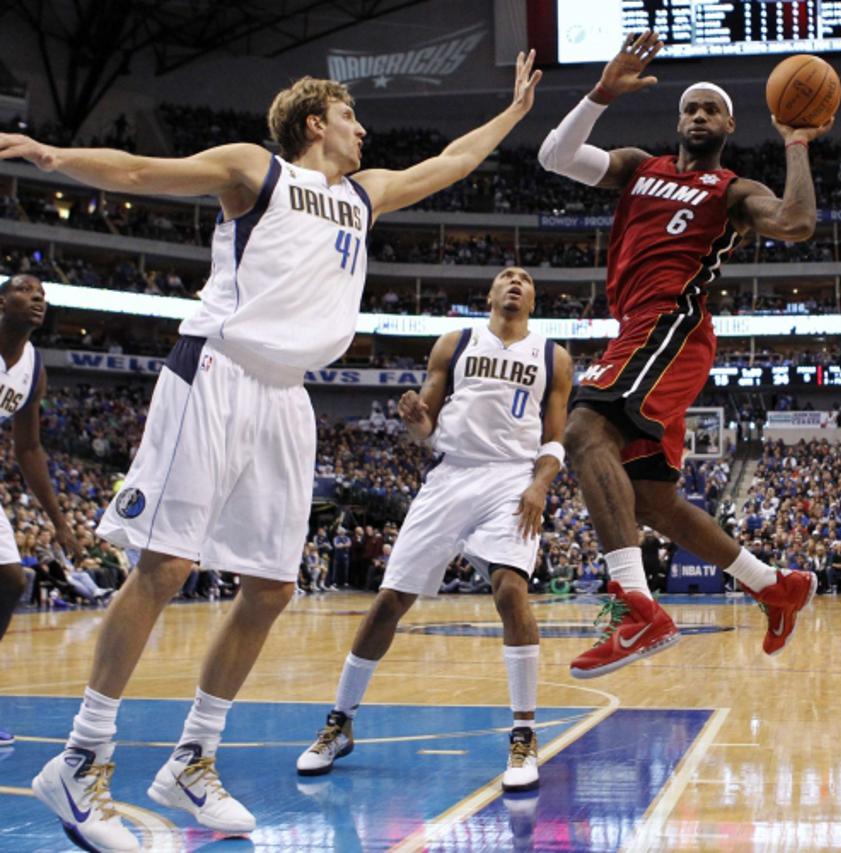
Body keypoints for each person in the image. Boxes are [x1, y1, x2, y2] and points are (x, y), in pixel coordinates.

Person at [6, 52, 542, 851]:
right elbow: (143, 169)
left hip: (289, 396)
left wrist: (514, 113)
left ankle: (195, 754)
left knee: (271, 586)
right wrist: (53, 157)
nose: (365, 130)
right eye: (352, 117)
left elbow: (449, 162)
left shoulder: (365, 195)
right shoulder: (253, 169)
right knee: (165, 566)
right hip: (216, 370)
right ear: (315, 122)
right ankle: (82, 758)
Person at [538, 31, 831, 677]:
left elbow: (797, 221)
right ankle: (772, 586)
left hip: (671, 324)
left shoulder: (732, 190)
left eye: (711, 110)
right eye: (690, 108)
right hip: (638, 328)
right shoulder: (638, 167)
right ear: (679, 123)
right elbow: (554, 155)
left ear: (729, 125)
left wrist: (798, 142)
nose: (699, 115)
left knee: (585, 430)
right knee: (651, 501)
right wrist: (600, 93)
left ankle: (636, 604)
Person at [296, 267, 572, 795]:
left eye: (525, 278)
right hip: (451, 474)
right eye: (505, 276)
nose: (515, 282)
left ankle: (523, 734)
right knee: (388, 602)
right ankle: (339, 722)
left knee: (511, 591)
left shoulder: (553, 356)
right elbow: (427, 427)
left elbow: (555, 438)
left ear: (533, 299)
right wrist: (415, 418)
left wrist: (540, 485)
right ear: (489, 294)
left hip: (512, 479)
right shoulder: (455, 341)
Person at [0, 274, 84, 748]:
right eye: (26, 289)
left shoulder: (33, 366)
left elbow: (29, 448)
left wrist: (58, 521)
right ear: (1, 300)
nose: (36, 298)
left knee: (11, 580)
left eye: (42, 295)